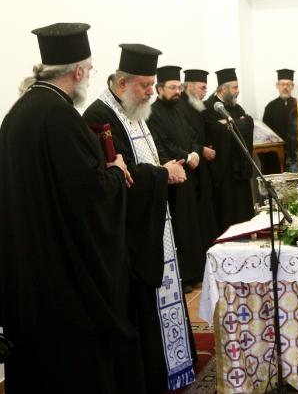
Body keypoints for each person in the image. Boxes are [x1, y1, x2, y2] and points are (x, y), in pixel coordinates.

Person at [0, 23, 145, 394]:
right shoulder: (61, 117)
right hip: (63, 276)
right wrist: (116, 173)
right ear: (78, 72)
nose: (90, 77)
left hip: (27, 269)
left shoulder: (18, 113)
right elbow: (90, 196)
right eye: (90, 70)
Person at [84, 44, 196, 392]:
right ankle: (152, 377)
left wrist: (163, 170)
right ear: (122, 83)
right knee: (141, 310)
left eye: (152, 85)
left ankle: (170, 368)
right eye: (145, 85)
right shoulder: (99, 117)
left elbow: (141, 163)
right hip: (130, 238)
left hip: (153, 226)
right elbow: (122, 179)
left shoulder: (133, 110)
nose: (151, 92)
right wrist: (163, 174)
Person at [147, 65, 209, 292]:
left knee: (192, 225)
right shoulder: (152, 113)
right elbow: (162, 143)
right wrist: (187, 156)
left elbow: (192, 135)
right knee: (179, 228)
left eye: (178, 87)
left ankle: (196, 273)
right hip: (173, 177)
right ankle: (183, 277)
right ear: (159, 89)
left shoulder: (179, 110)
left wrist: (195, 153)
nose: (177, 92)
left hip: (189, 176)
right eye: (172, 87)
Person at [204, 68, 255, 231]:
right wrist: (238, 124)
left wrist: (231, 125)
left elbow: (248, 123)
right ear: (223, 89)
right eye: (234, 87)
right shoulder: (209, 107)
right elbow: (215, 131)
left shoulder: (237, 108)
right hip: (223, 170)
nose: (238, 91)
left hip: (240, 169)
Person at [176, 68, 218, 246]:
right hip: (189, 168)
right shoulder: (179, 107)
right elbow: (184, 138)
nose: (205, 92)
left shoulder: (198, 105)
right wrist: (201, 150)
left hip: (202, 166)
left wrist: (205, 146)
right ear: (190, 86)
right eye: (202, 88)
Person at [261, 68, 296, 173]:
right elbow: (265, 134)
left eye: (288, 84)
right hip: (275, 156)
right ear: (277, 86)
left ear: (292, 86)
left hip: (295, 154)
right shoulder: (270, 107)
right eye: (282, 84)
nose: (285, 87)